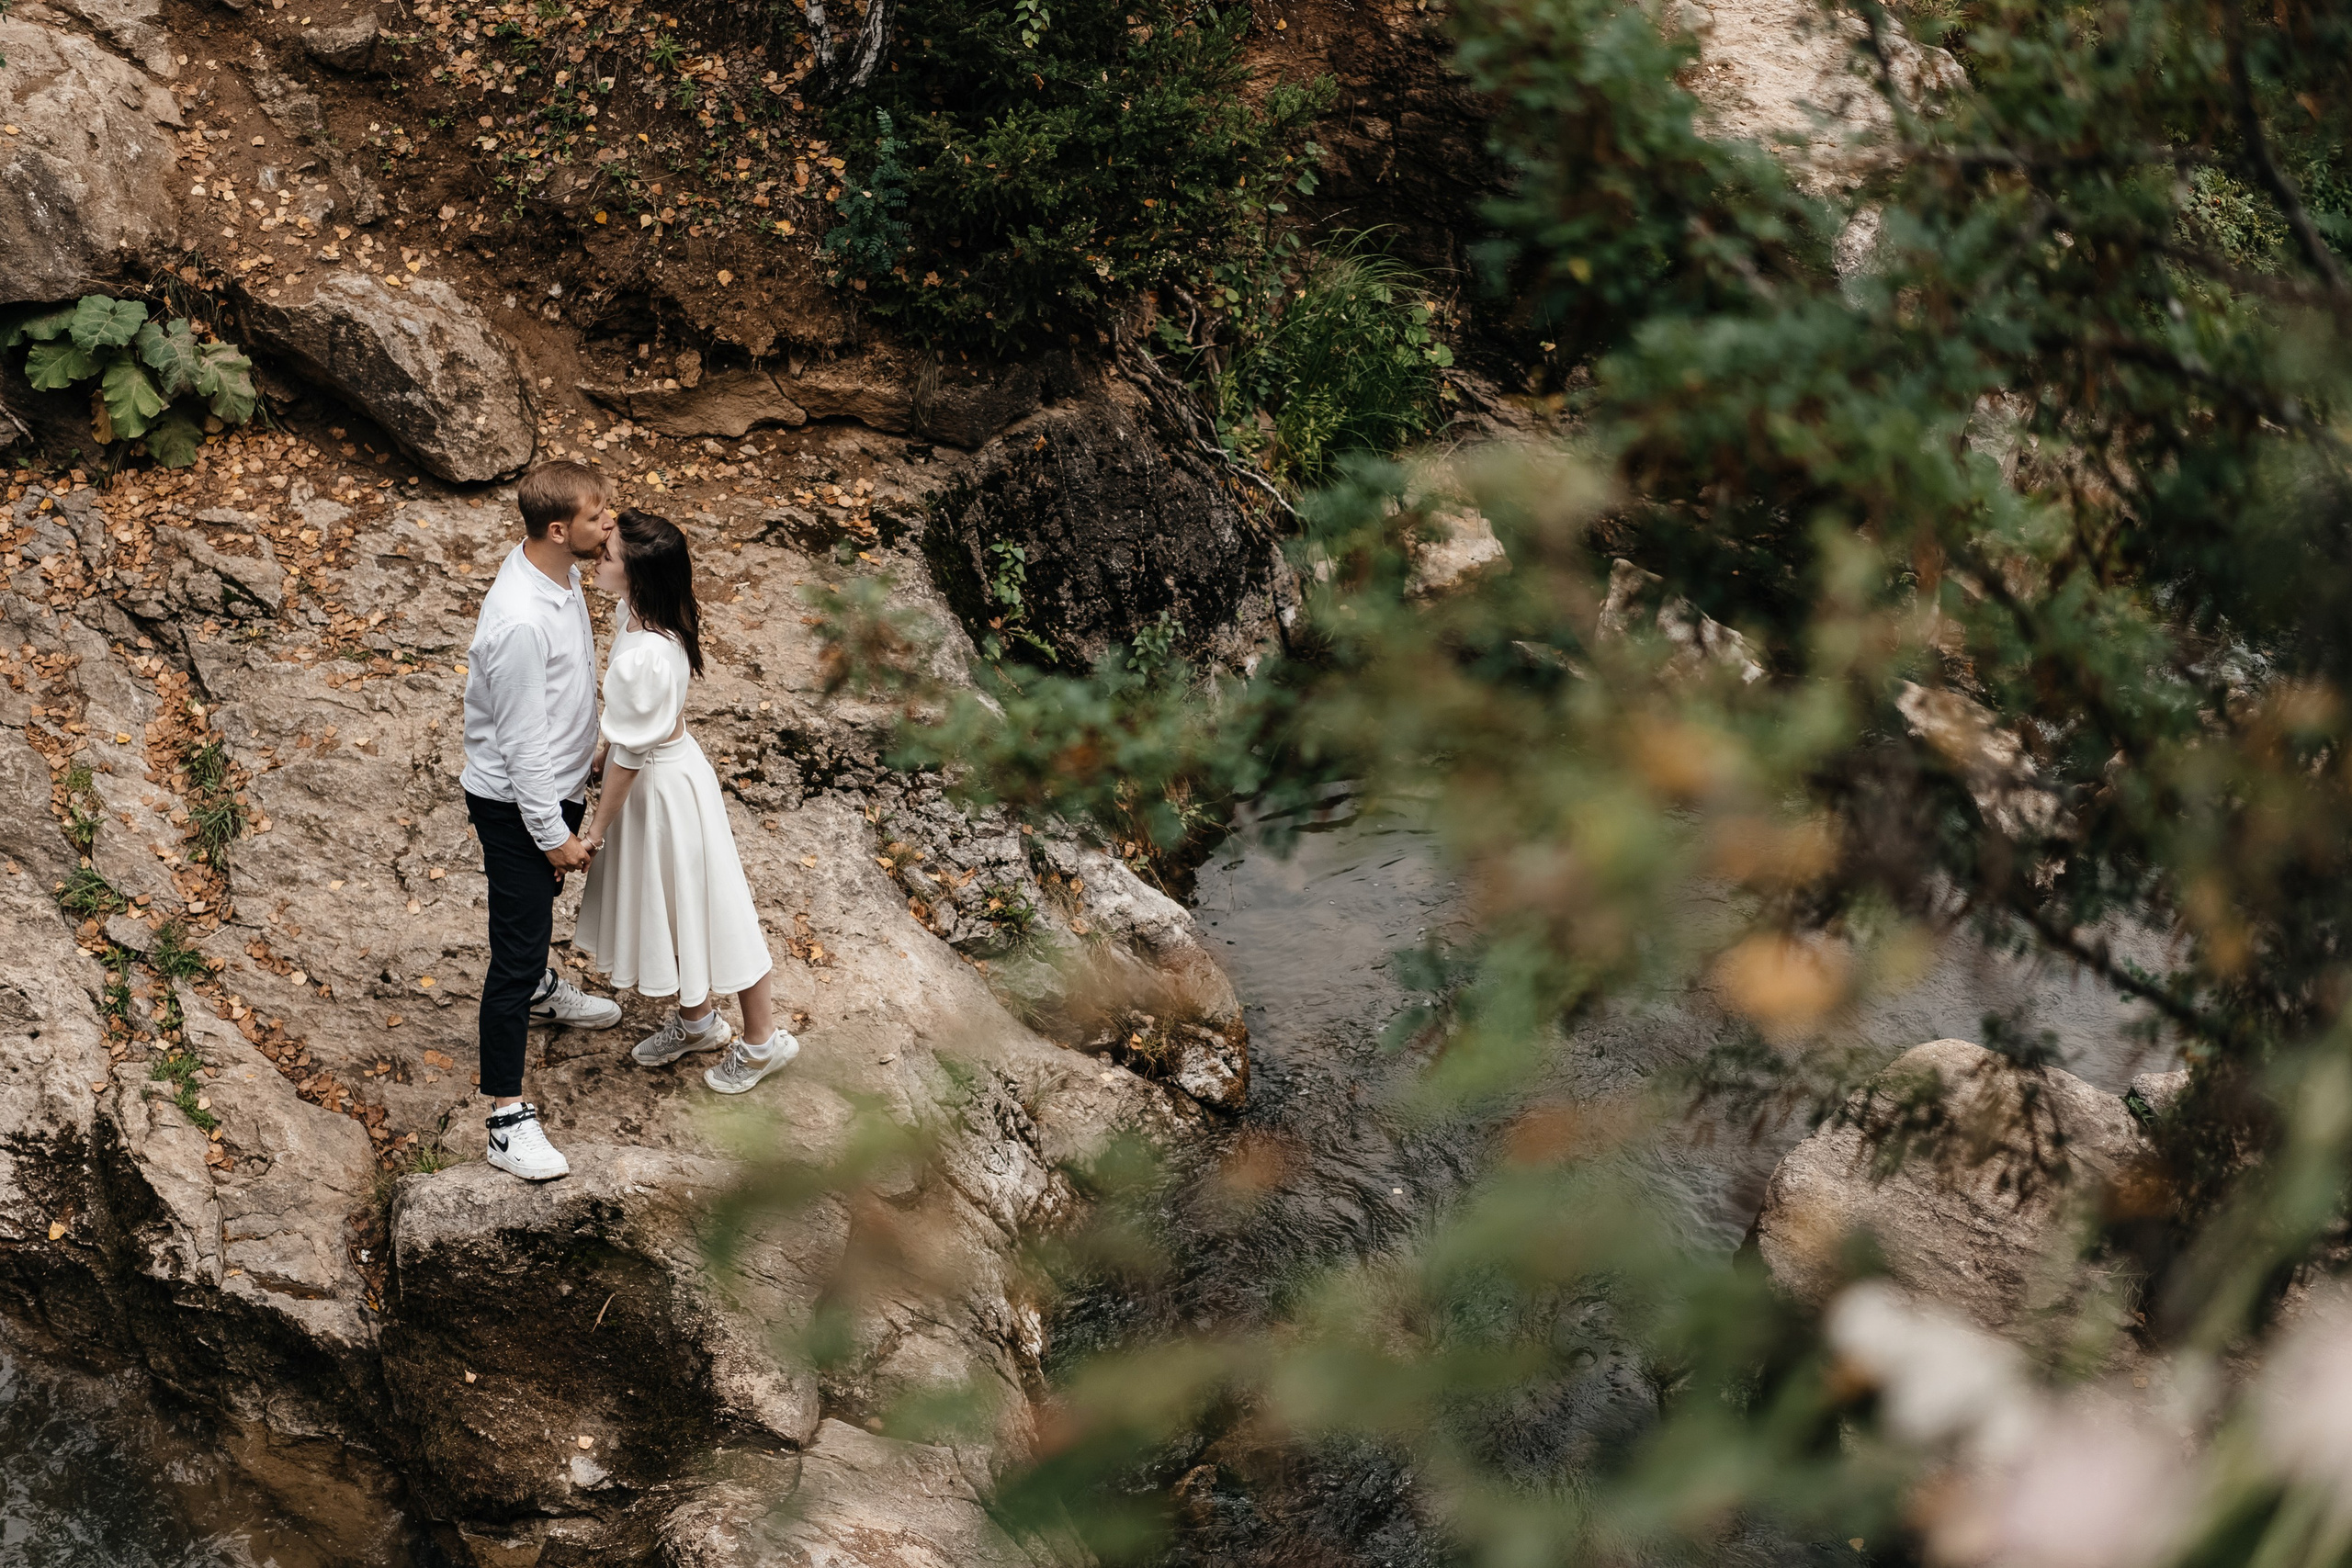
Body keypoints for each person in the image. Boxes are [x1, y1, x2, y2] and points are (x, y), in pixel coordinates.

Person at [574, 510, 800, 1095]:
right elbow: (628, 731)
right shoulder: (642, 614)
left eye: (609, 555)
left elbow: (631, 753)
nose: (598, 556)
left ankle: (760, 1043)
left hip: (663, 786)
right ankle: (698, 1023)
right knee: (672, 904)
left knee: (716, 907)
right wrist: (604, 748)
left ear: (640, 575)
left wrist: (596, 830)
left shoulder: (648, 648)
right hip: (658, 775)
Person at [459, 460, 626, 1182]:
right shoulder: (521, 621)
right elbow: (520, 745)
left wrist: (585, 753)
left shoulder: (557, 571)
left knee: (529, 925)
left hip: (554, 786)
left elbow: (554, 704)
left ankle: (538, 989)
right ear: (560, 529)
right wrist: (553, 837)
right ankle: (504, 1118)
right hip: (518, 804)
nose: (610, 522)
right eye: (599, 516)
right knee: (513, 954)